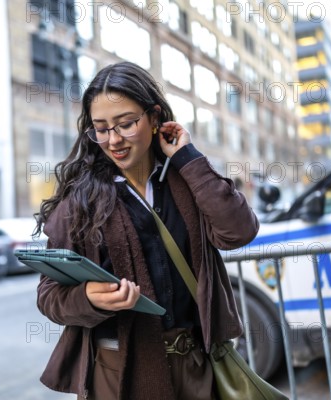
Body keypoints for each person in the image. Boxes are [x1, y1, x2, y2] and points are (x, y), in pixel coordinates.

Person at [34, 61, 259, 400]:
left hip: (197, 365)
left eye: (126, 124)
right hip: (119, 375)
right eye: (101, 128)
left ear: (154, 118)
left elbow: (239, 231)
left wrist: (189, 158)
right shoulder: (80, 203)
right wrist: (87, 297)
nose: (113, 140)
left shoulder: (186, 180)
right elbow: (49, 296)